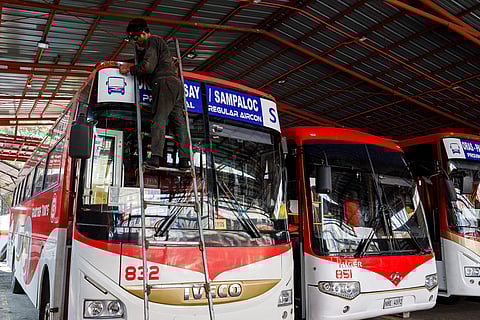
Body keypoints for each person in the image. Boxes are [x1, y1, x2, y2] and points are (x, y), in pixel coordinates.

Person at [119, 18, 190, 169]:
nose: (135, 41)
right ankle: (184, 160)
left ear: (145, 33)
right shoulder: (158, 45)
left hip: (163, 83)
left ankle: (156, 157)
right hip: (176, 85)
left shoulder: (153, 41)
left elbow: (148, 68)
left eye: (137, 37)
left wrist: (129, 69)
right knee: (179, 122)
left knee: (158, 119)